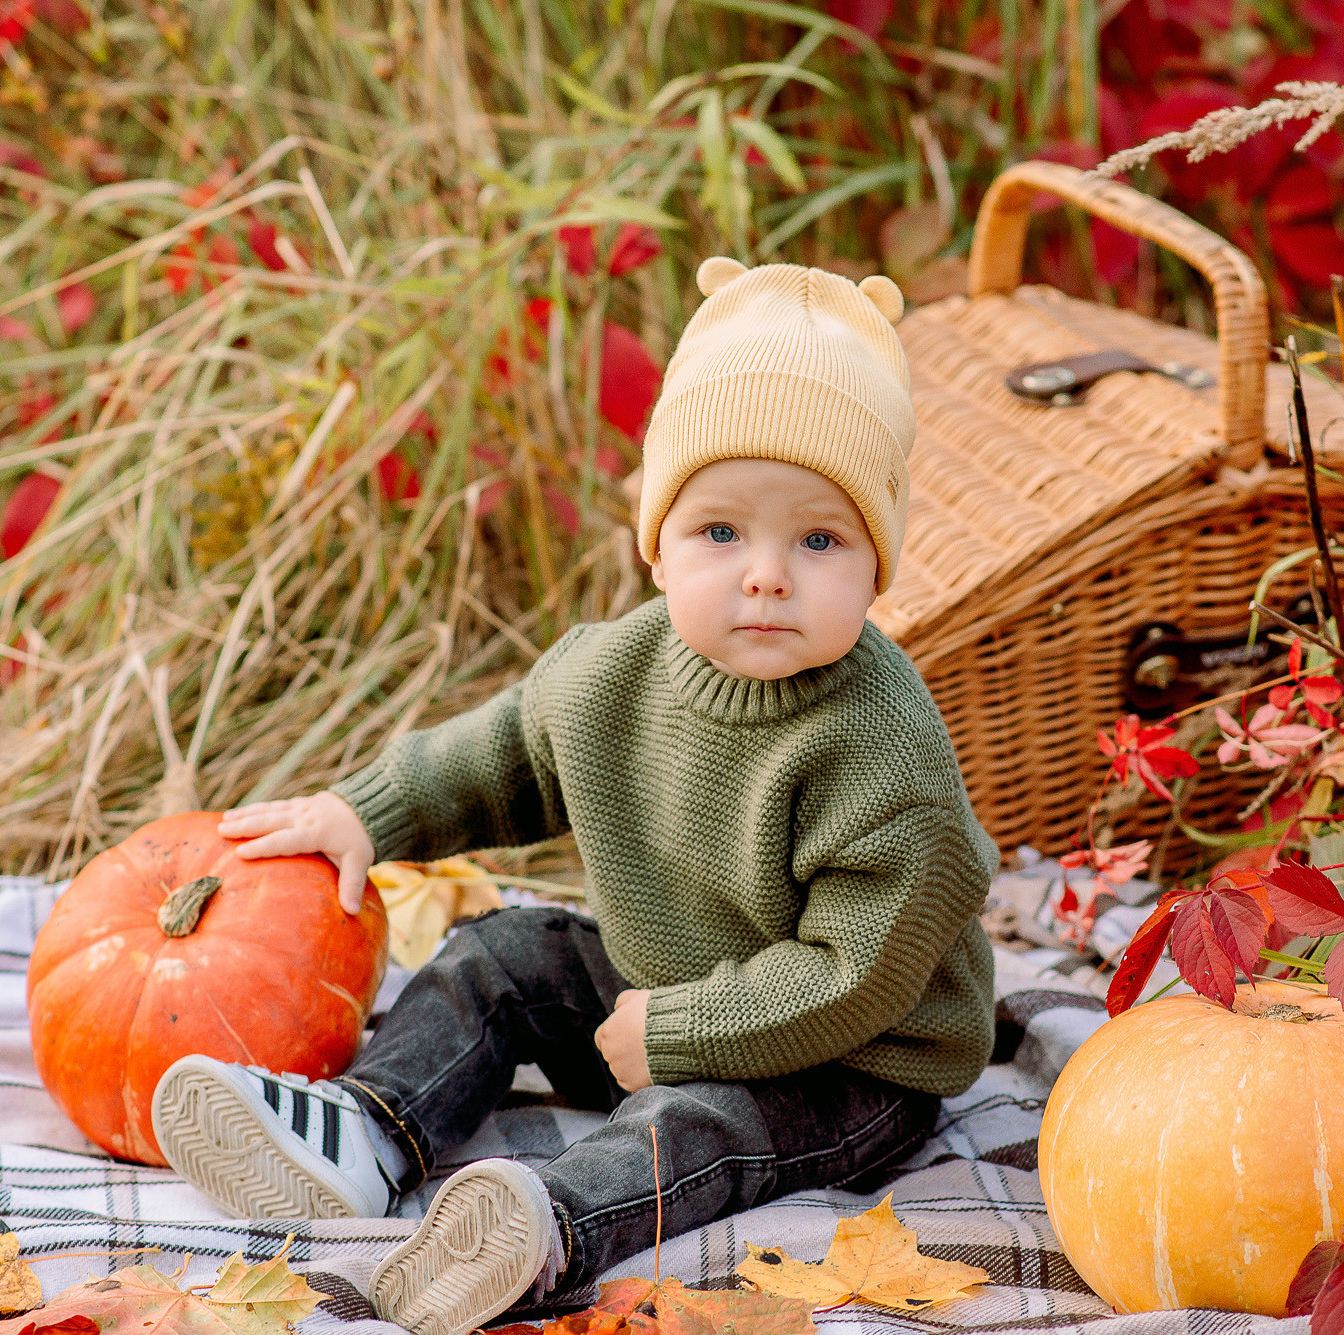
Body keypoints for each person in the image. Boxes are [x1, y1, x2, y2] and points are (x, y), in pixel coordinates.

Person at [148, 257, 998, 1335]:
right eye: (720, 531)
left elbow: (854, 977)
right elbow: (504, 754)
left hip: (852, 1063)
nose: (766, 574)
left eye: (819, 540)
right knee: (501, 952)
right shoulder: (612, 673)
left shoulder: (882, 751)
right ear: (658, 547)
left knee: (701, 1122)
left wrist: (681, 1030)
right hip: (659, 996)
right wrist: (368, 811)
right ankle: (368, 1130)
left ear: (878, 565)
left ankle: (543, 1226)